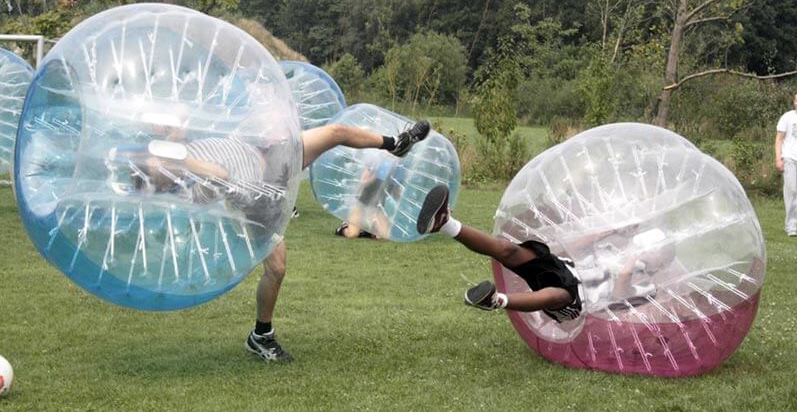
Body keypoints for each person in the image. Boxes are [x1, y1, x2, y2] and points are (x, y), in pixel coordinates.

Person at [111, 120, 431, 362]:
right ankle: (261, 336)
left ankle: (396, 143)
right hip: (259, 196)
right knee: (277, 269)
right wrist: (179, 159)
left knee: (335, 132)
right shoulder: (189, 190)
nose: (163, 163)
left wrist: (166, 134)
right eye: (158, 170)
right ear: (159, 183)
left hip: (266, 154)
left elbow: (180, 123)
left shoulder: (174, 153)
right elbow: (220, 175)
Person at [415, 184, 582, 321]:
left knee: (560, 295)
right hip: (564, 266)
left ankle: (495, 300)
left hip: (582, 295)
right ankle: (444, 223)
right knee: (508, 250)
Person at [334, 156, 403, 240]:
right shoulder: (378, 161)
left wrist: (401, 193)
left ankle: (366, 231)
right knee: (352, 234)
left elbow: (396, 194)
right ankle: (344, 226)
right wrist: (374, 176)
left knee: (385, 236)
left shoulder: (399, 169)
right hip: (361, 202)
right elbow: (362, 182)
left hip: (377, 207)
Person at [775, 92, 797, 237]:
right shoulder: (787, 117)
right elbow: (779, 139)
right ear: (794, 102)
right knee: (792, 192)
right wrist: (779, 158)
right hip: (789, 158)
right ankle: (791, 227)